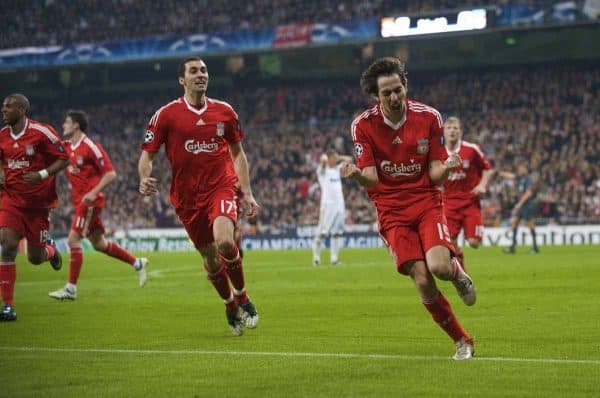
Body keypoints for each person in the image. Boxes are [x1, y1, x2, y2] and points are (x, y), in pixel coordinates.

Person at [341, 57, 477, 360]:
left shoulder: (429, 117)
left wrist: (449, 168)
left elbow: (434, 173)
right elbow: (372, 179)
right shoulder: (362, 125)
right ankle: (462, 340)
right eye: (386, 93)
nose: (394, 98)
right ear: (376, 96)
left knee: (440, 267)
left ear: (405, 86)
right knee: (422, 278)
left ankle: (458, 274)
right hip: (390, 209)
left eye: (398, 90)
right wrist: (357, 175)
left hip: (426, 200)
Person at [138, 56, 259, 336]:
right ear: (182, 79)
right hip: (187, 198)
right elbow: (147, 155)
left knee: (225, 242)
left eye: (204, 70)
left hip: (222, 186)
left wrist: (248, 192)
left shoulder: (225, 112)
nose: (201, 74)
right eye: (193, 71)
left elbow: (238, 154)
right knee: (211, 258)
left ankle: (242, 296)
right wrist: (144, 177)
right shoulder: (166, 115)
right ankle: (229, 304)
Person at [48, 110, 148, 301]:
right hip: (80, 202)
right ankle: (137, 263)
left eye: (67, 122)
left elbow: (111, 174)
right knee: (99, 243)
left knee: (72, 240)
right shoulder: (67, 146)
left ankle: (71, 289)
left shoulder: (90, 146)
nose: (64, 125)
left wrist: (92, 193)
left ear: (76, 125)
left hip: (90, 202)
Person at [0, 93, 68, 321]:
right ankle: (8, 307)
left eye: (8, 107)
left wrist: (41, 174)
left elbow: (64, 158)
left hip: (38, 204)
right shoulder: (1, 136)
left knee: (35, 258)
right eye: (3, 107)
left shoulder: (42, 132)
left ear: (21, 110)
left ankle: (50, 250)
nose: (4, 110)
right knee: (8, 245)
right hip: (11, 199)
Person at [441, 117, 494, 268]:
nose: (452, 131)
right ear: (443, 131)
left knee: (474, 243)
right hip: (449, 202)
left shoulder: (471, 149)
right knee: (450, 241)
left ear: (461, 131)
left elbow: (488, 169)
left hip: (470, 201)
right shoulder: (437, 153)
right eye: (449, 128)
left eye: (455, 128)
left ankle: (463, 250)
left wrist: (482, 185)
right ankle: (463, 277)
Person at [312, 148, 352, 266]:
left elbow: (349, 160)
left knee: (336, 233)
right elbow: (323, 161)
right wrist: (327, 158)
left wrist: (338, 157)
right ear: (329, 158)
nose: (336, 159)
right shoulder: (322, 171)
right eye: (334, 157)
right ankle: (316, 257)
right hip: (327, 205)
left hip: (339, 204)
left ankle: (334, 259)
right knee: (323, 232)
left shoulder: (337, 169)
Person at [500, 162, 540, 254]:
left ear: (525, 169)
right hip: (521, 206)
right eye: (519, 168)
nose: (520, 170)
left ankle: (535, 247)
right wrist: (501, 173)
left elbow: (528, 193)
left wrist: (520, 203)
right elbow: (511, 176)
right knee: (514, 223)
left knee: (530, 225)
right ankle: (512, 247)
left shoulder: (528, 179)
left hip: (527, 205)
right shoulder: (521, 178)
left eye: (521, 168)